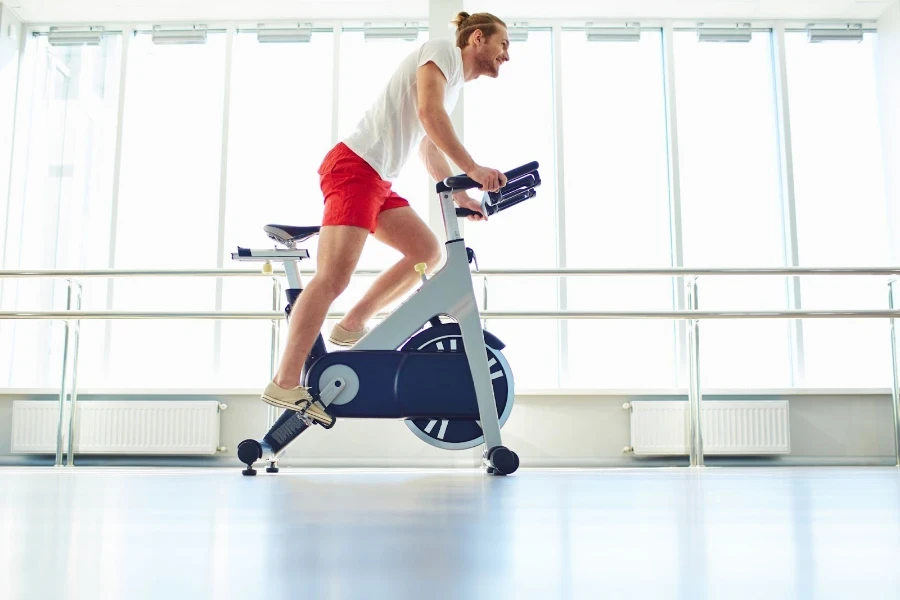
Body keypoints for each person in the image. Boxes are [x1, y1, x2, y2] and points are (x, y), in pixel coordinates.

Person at [260, 11, 511, 420]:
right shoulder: (442, 52)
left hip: (377, 178)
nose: (507, 55)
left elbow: (429, 146)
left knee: (426, 251)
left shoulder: (454, 85)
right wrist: (475, 167)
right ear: (477, 39)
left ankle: (353, 324)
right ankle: (285, 382)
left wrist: (462, 192)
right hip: (356, 166)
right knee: (332, 279)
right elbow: (431, 116)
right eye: (504, 44)